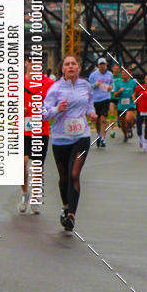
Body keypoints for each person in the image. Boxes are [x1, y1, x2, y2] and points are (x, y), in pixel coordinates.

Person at [43, 54, 96, 232]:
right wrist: (57, 109)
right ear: (62, 68)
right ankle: (65, 206)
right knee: (64, 177)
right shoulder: (55, 88)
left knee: (74, 174)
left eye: (74, 64)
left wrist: (91, 113)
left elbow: (89, 104)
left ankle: (71, 215)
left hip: (82, 137)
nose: (71, 66)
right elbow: (43, 113)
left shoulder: (85, 86)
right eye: (67, 64)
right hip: (60, 139)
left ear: (78, 67)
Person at [20, 57, 54, 214]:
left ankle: (34, 197)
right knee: (22, 163)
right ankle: (25, 193)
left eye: (39, 63)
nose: (35, 65)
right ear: (26, 63)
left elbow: (53, 103)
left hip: (40, 130)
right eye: (32, 62)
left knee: (37, 167)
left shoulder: (48, 83)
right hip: (22, 129)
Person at [88, 57, 113, 148]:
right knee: (97, 120)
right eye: (100, 64)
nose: (102, 66)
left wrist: (110, 88)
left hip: (106, 98)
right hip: (95, 99)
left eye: (103, 64)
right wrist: (95, 84)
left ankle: (103, 138)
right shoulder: (93, 75)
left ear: (106, 65)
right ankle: (99, 134)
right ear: (98, 65)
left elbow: (112, 85)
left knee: (103, 118)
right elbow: (89, 86)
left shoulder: (109, 74)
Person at [114, 67, 137, 142]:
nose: (124, 75)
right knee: (123, 124)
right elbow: (115, 95)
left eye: (126, 73)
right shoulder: (118, 83)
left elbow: (137, 91)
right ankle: (125, 135)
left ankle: (130, 128)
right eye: (123, 73)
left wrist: (134, 96)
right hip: (121, 106)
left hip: (130, 104)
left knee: (128, 119)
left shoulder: (133, 82)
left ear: (129, 74)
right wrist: (119, 91)